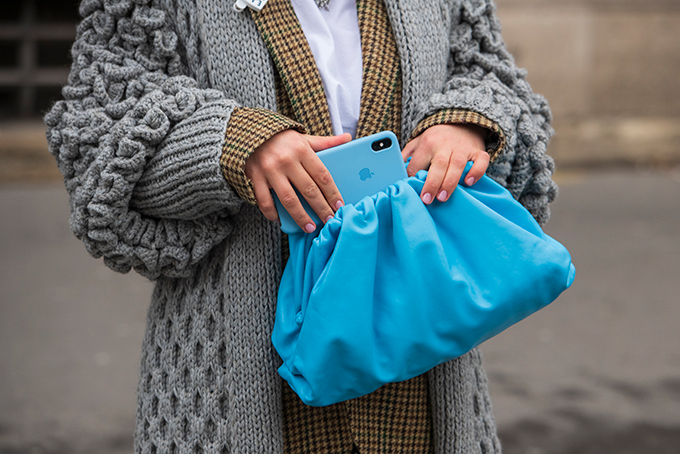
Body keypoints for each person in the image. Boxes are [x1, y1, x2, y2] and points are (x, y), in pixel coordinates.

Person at [45, 0, 557, 452]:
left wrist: (467, 121)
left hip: (428, 390)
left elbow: (497, 80)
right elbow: (96, 139)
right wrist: (226, 144)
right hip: (233, 394)